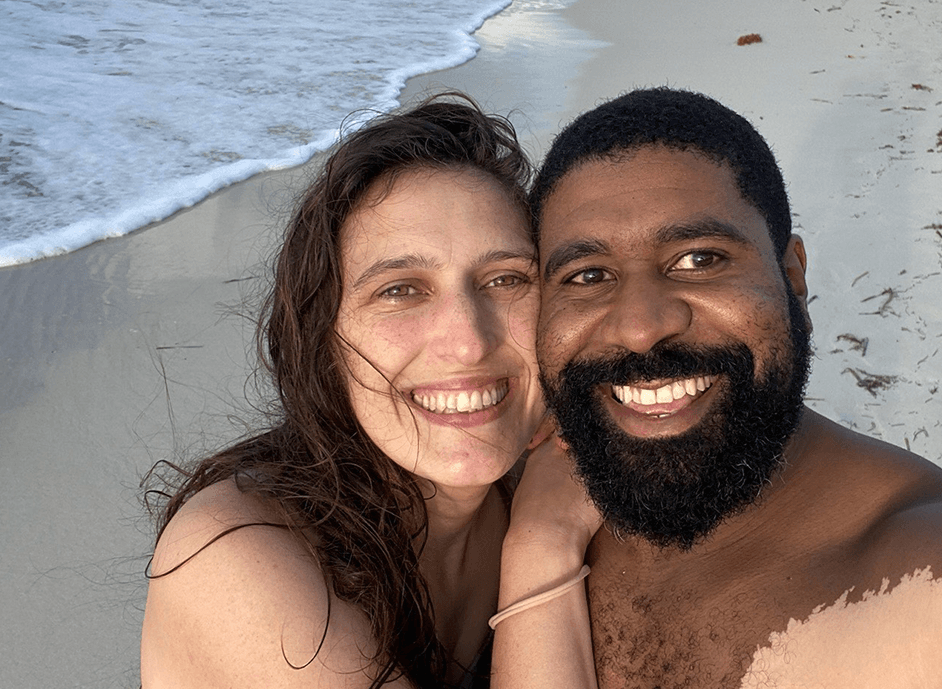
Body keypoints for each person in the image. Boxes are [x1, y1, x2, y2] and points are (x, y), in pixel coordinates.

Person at [529, 87, 942, 687]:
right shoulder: (504, 495)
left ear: (793, 277)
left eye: (700, 259)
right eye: (587, 275)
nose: (641, 328)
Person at [139, 93, 598, 688]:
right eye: (400, 290)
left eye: (505, 279)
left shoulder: (544, 484)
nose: (468, 342)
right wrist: (543, 545)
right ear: (322, 337)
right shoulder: (234, 553)